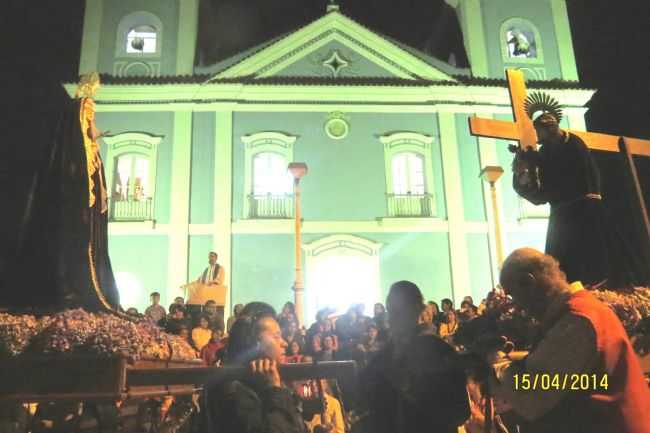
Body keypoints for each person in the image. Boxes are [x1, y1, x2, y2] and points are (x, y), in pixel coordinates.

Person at [489, 248, 650, 433]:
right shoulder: (585, 310)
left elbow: (531, 397)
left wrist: (495, 359)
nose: (516, 305)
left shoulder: (577, 321)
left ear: (528, 282)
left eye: (512, 294)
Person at [512, 111, 613, 285]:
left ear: (550, 128)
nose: (537, 136)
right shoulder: (546, 152)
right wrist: (525, 168)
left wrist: (535, 160)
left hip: (583, 211)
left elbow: (574, 177)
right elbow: (543, 189)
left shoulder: (573, 144)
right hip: (561, 215)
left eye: (539, 131)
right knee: (562, 268)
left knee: (589, 260)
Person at [360, 281, 469, 433]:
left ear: (416, 310)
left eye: (399, 311)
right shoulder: (385, 356)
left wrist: (412, 391)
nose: (392, 318)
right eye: (391, 311)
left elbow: (459, 412)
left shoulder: (439, 351)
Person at [202, 302, 306, 433]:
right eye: (276, 336)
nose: (284, 343)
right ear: (253, 344)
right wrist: (275, 390)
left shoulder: (262, 383)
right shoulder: (233, 393)